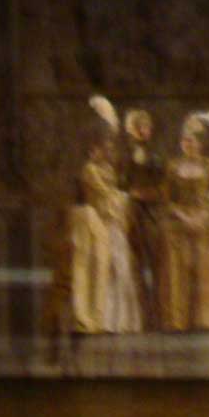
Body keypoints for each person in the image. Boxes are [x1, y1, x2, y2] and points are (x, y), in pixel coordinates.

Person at [67, 97, 141, 335]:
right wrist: (123, 198)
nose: (108, 150)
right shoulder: (89, 169)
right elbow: (103, 193)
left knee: (119, 266)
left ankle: (117, 319)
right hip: (98, 218)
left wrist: (121, 199)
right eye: (103, 146)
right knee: (102, 266)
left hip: (111, 219)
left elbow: (113, 190)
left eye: (109, 146)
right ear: (93, 148)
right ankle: (99, 317)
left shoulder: (107, 167)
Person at [160, 113, 209, 331]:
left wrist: (204, 215)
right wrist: (183, 216)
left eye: (192, 141)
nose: (188, 145)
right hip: (179, 217)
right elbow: (167, 198)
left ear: (200, 144)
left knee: (206, 263)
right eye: (185, 141)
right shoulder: (173, 166)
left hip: (205, 217)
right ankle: (178, 318)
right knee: (177, 260)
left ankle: (206, 318)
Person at [120, 109, 168, 323]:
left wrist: (147, 194)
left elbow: (164, 186)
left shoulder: (156, 155)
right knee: (135, 263)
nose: (143, 131)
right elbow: (122, 182)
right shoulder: (126, 155)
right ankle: (141, 313)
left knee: (157, 262)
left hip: (153, 212)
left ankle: (158, 312)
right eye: (139, 127)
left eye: (146, 127)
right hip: (131, 212)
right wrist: (130, 194)